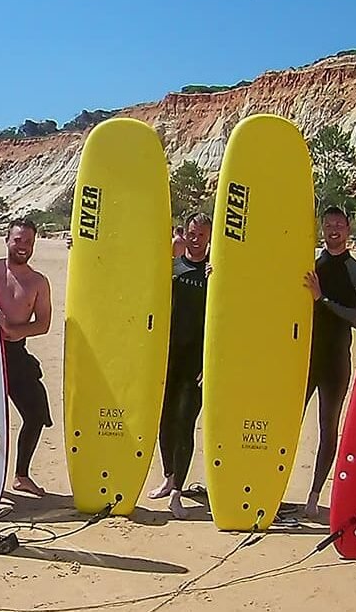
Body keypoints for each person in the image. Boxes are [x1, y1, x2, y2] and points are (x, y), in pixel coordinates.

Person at [301, 206, 356, 518]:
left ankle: (314, 496)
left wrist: (322, 299)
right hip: (304, 359)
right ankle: (271, 483)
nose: (333, 230)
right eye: (328, 224)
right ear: (321, 228)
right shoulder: (311, 264)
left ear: (348, 228)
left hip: (334, 362)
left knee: (327, 426)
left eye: (339, 225)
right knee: (288, 422)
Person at [148, 212, 211, 518]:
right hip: (167, 357)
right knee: (165, 419)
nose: (196, 239)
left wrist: (208, 362)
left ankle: (177, 493)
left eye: (202, 235)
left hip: (195, 362)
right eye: (192, 233)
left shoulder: (214, 274)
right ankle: (169, 476)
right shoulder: (171, 268)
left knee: (185, 422)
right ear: (183, 234)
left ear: (209, 237)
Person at [0, 218, 54, 496]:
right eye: (18, 240)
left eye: (28, 241)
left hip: (15, 354)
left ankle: (21, 476)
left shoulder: (37, 282)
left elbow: (43, 324)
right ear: (7, 239)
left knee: (36, 413)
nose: (23, 246)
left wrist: (12, 329)